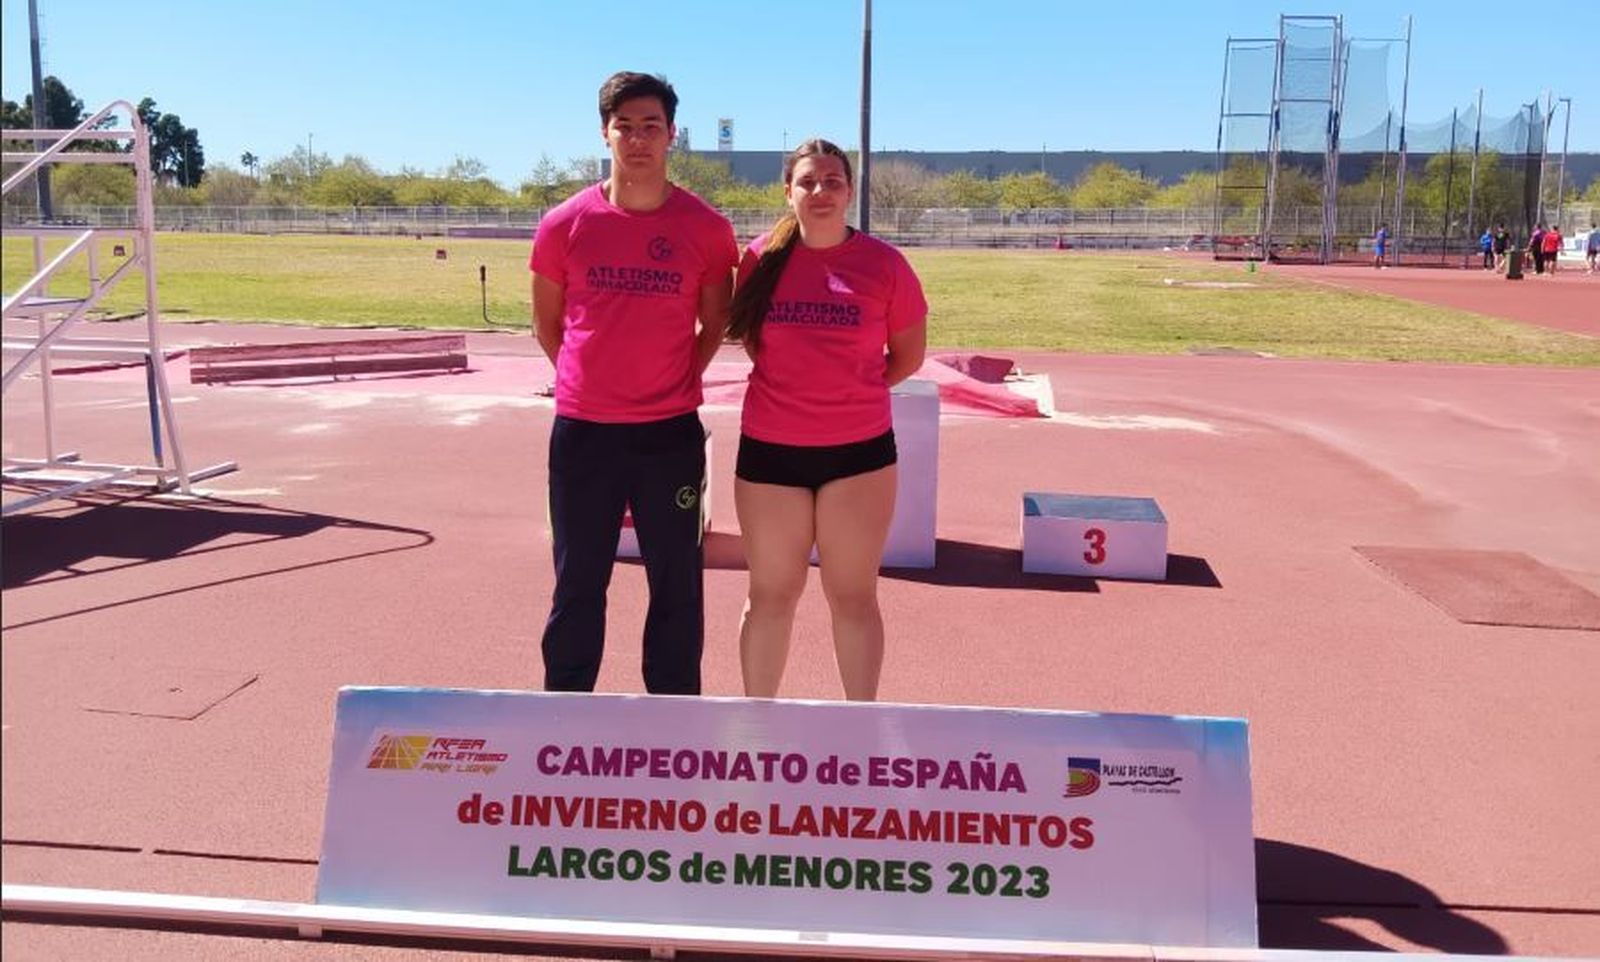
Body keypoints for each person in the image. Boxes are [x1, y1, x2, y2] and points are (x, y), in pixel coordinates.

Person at [529, 71, 738, 694]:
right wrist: (590, 383)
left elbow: (716, 320)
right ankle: (564, 709)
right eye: (625, 126)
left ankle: (673, 718)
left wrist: (674, 380)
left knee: (676, 582)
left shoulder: (704, 228)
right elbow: (547, 325)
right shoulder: (565, 223)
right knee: (578, 581)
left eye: (652, 127)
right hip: (584, 434)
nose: (638, 139)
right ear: (605, 132)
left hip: (667, 436)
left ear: (672, 135)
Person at [725, 139, 928, 701]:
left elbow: (906, 357)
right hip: (770, 453)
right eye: (808, 182)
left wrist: (850, 392)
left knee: (853, 596)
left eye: (833, 182)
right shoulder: (759, 261)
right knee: (771, 594)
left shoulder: (884, 265)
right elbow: (752, 342)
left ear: (849, 192)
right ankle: (757, 726)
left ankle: (859, 725)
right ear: (788, 191)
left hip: (858, 456)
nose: (821, 192)